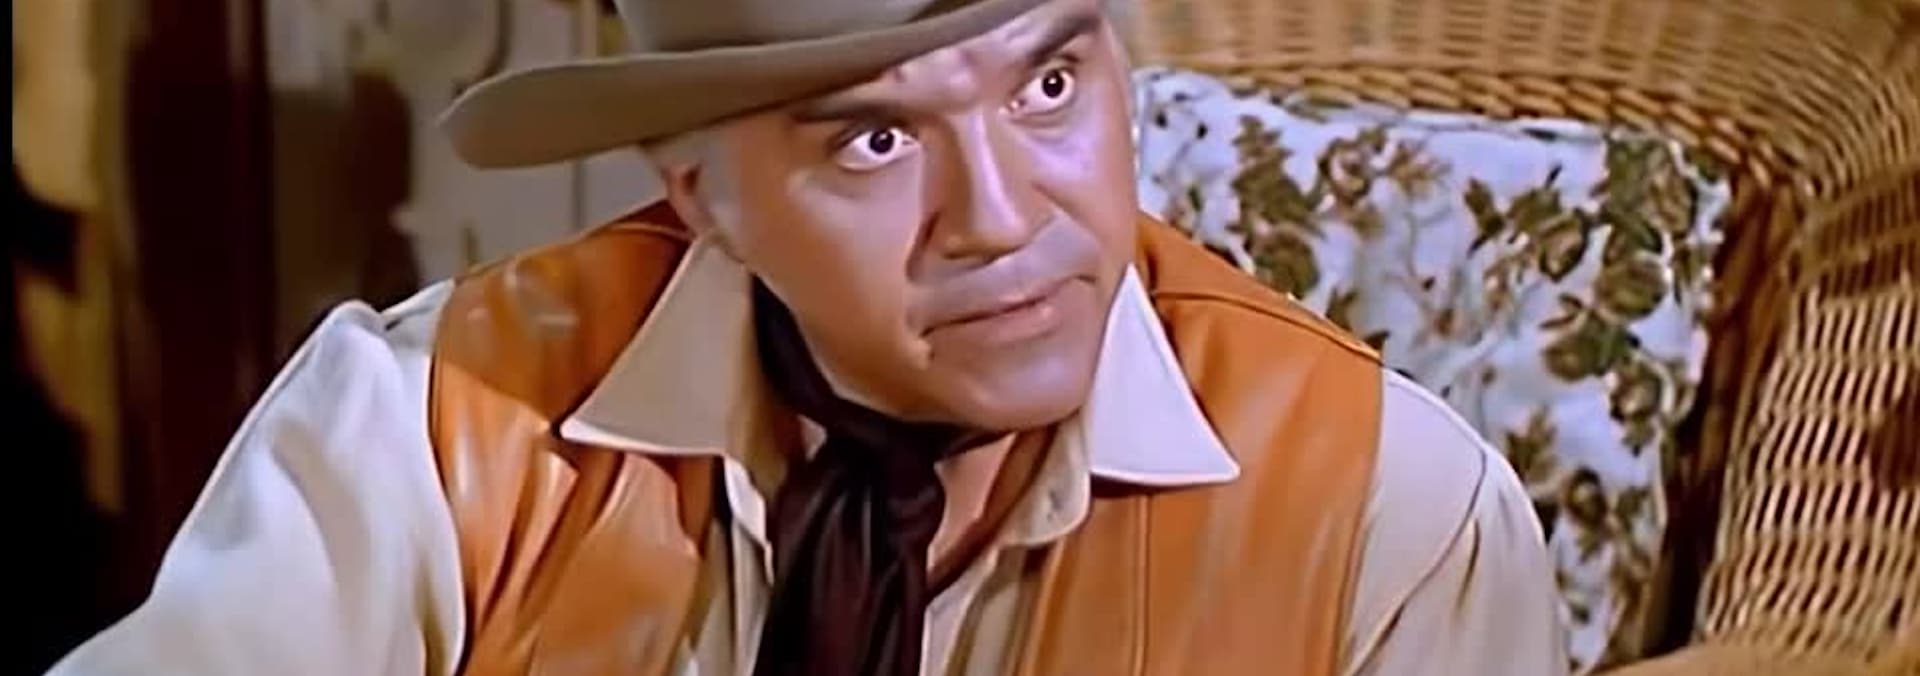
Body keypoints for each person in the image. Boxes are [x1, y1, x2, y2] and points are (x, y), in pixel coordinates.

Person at [51, 0, 1566, 674]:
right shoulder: (435, 427)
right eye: (873, 142)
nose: (1000, 217)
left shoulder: (1389, 514)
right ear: (700, 193)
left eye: (1048, 88)